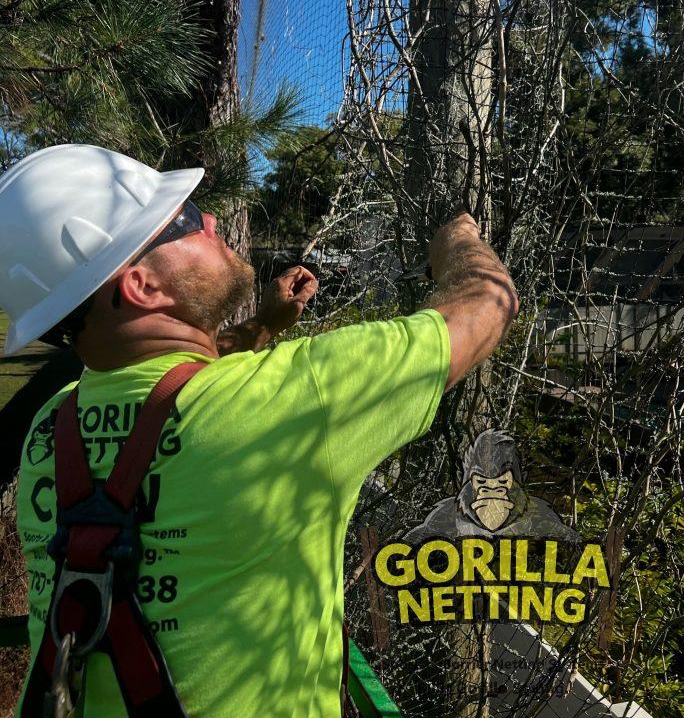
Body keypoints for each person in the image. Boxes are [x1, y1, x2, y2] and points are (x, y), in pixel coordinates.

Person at [3, 144, 518, 718]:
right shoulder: (302, 398)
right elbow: (485, 304)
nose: (211, 218)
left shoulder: (51, 427)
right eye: (184, 219)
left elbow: (173, 389)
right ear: (142, 286)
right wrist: (459, 240)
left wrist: (262, 326)